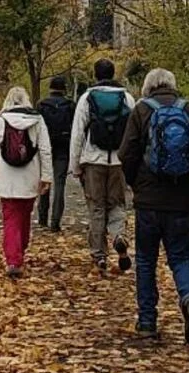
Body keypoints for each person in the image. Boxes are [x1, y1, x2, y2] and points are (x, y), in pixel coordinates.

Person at [119, 68, 189, 344]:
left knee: (146, 261)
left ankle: (147, 321)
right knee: (181, 256)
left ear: (148, 87)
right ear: (173, 86)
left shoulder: (140, 111)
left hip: (148, 202)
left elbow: (127, 153)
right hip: (183, 202)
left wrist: (136, 185)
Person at [70, 59, 137, 276]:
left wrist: (75, 166)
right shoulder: (127, 98)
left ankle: (99, 254)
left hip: (93, 161)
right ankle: (119, 235)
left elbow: (78, 133)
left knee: (96, 206)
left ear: (96, 75)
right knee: (117, 203)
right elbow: (135, 132)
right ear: (113, 73)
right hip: (119, 161)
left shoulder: (87, 98)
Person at [0, 87, 55, 278]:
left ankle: (13, 260)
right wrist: (46, 176)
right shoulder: (37, 120)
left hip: (8, 178)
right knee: (25, 215)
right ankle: (20, 250)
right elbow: (45, 149)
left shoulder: (2, 120)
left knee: (10, 218)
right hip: (29, 176)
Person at [36, 76, 76, 232]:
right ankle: (55, 221)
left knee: (45, 180)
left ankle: (42, 217)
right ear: (64, 89)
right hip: (63, 148)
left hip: (45, 147)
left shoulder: (41, 105)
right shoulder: (70, 105)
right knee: (60, 184)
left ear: (50, 88)